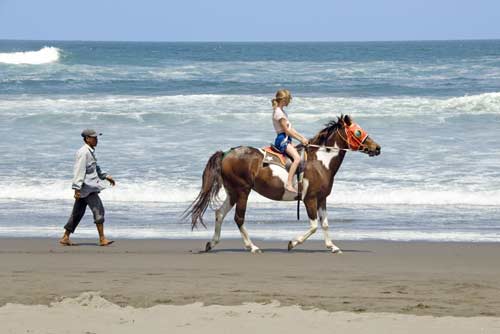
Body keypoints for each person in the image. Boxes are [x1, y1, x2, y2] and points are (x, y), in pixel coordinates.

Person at [59, 129, 116, 246]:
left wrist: (105, 176)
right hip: (87, 188)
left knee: (77, 213)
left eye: (96, 138)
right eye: (94, 138)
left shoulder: (90, 151)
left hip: (86, 188)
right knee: (99, 210)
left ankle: (65, 237)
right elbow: (79, 170)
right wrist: (77, 189)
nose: (96, 140)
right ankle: (102, 239)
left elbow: (94, 168)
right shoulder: (83, 152)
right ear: (87, 139)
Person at [272, 89, 309, 193]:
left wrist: (302, 138)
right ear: (283, 100)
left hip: (286, 138)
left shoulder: (282, 112)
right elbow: (287, 131)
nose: (289, 102)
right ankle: (288, 184)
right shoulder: (279, 113)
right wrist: (300, 138)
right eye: (288, 99)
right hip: (282, 140)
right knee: (297, 158)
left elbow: (291, 129)